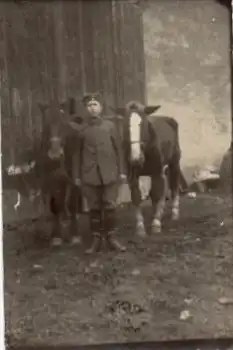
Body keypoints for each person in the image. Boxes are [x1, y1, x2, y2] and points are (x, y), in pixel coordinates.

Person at [72, 92, 127, 254]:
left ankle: (112, 238)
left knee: (110, 205)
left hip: (109, 173)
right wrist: (76, 176)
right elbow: (76, 155)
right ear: (86, 109)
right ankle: (96, 240)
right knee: (94, 207)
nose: (92, 108)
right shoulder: (82, 131)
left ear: (100, 108)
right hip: (89, 175)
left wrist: (122, 171)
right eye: (89, 106)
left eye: (95, 105)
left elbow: (119, 151)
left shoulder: (110, 127)